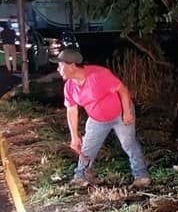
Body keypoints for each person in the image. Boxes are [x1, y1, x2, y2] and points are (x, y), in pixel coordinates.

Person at [50, 48, 151, 188]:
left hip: (119, 113)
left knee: (128, 143)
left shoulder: (98, 75)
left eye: (60, 66)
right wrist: (74, 136)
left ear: (72, 66)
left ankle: (141, 176)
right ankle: (81, 177)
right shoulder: (69, 86)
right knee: (87, 148)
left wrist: (127, 112)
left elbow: (123, 90)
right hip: (97, 119)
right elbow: (71, 110)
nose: (58, 69)